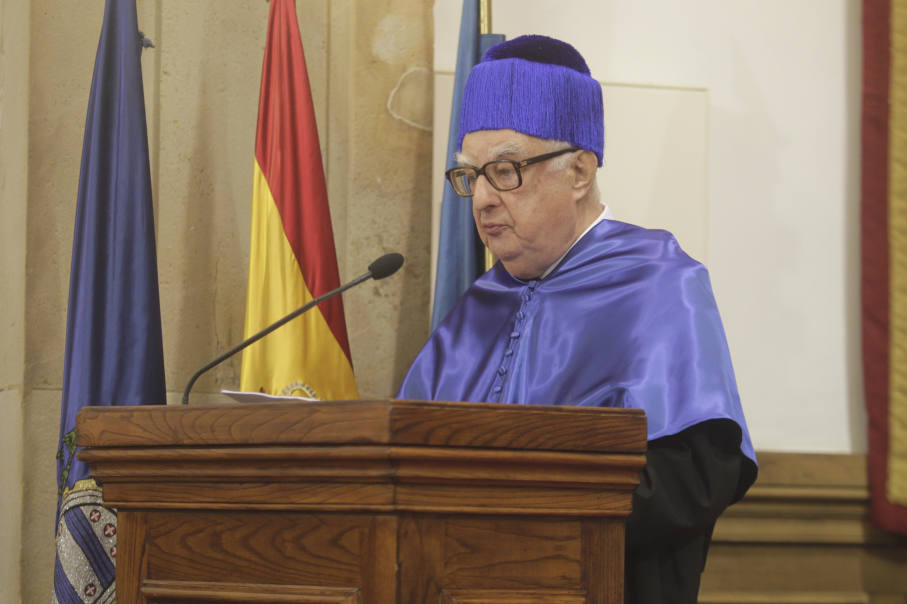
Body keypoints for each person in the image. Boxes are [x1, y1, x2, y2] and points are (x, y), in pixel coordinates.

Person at [397, 34, 757, 604]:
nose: (482, 199)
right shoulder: (475, 310)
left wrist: (520, 519)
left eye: (505, 171)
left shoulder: (659, 283)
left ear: (581, 173)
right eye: (471, 176)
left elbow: (696, 477)